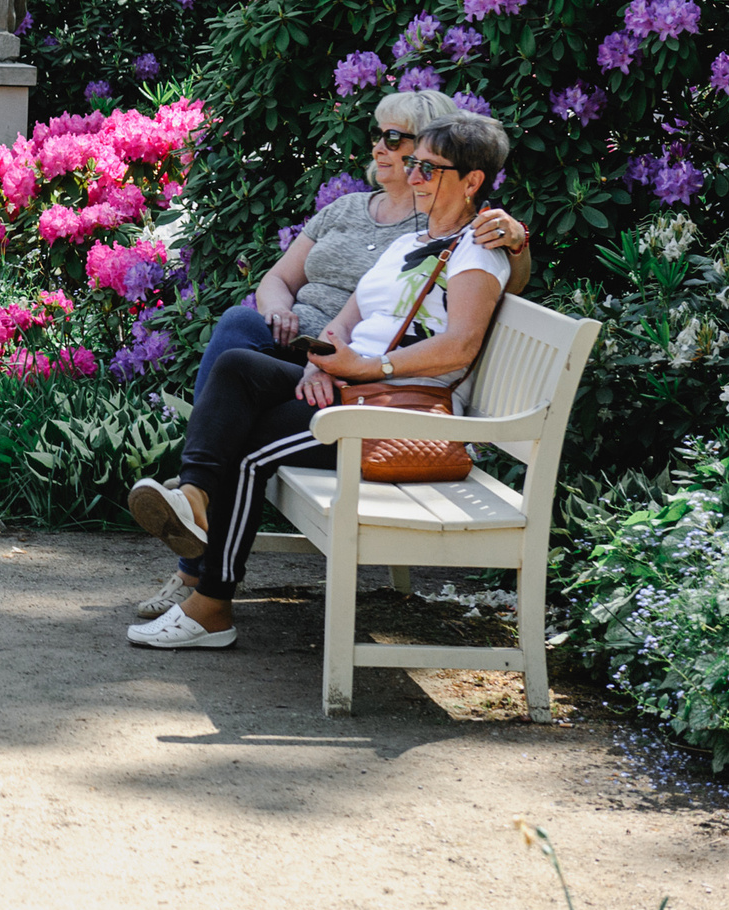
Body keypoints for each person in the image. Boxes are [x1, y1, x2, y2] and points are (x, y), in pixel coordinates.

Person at [133, 90, 533, 623]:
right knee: (236, 368)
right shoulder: (408, 244)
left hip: (393, 411)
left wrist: (366, 369)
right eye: (413, 165)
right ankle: (194, 497)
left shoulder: (477, 248)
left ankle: (209, 604)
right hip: (350, 384)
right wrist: (323, 360)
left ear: (472, 181)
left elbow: (459, 345)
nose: (413, 175)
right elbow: (348, 317)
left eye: (427, 167)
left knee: (249, 445)